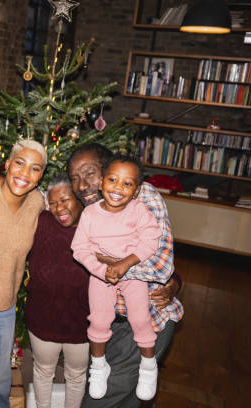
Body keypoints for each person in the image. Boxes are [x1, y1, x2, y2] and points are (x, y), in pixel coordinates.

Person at [67, 143, 183, 408]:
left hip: (144, 320)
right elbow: (79, 251)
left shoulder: (143, 197)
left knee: (101, 402)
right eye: (75, 177)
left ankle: (148, 367)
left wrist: (112, 264)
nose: (82, 184)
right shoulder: (86, 209)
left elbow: (161, 265)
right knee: (122, 398)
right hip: (106, 323)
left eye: (89, 173)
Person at [0, 139, 47, 408]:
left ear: (41, 175)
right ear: (7, 164)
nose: (24, 174)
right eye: (19, 163)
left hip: (5, 306)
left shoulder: (37, 202)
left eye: (35, 168)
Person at [25, 174, 90, 408]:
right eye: (52, 203)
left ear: (80, 199)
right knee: (43, 372)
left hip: (82, 323)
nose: (58, 208)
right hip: (43, 319)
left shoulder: (95, 225)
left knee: (76, 376)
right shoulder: (41, 221)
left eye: (64, 200)